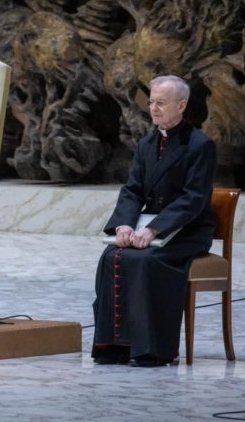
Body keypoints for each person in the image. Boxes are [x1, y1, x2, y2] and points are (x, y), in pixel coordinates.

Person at [92, 75, 215, 367]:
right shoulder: (147, 144)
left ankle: (153, 350)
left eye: (161, 103)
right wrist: (123, 225)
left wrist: (154, 229)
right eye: (151, 102)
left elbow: (193, 198)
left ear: (181, 105)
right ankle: (115, 346)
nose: (154, 108)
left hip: (186, 231)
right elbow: (133, 190)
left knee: (146, 260)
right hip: (150, 229)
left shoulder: (200, 145)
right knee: (111, 255)